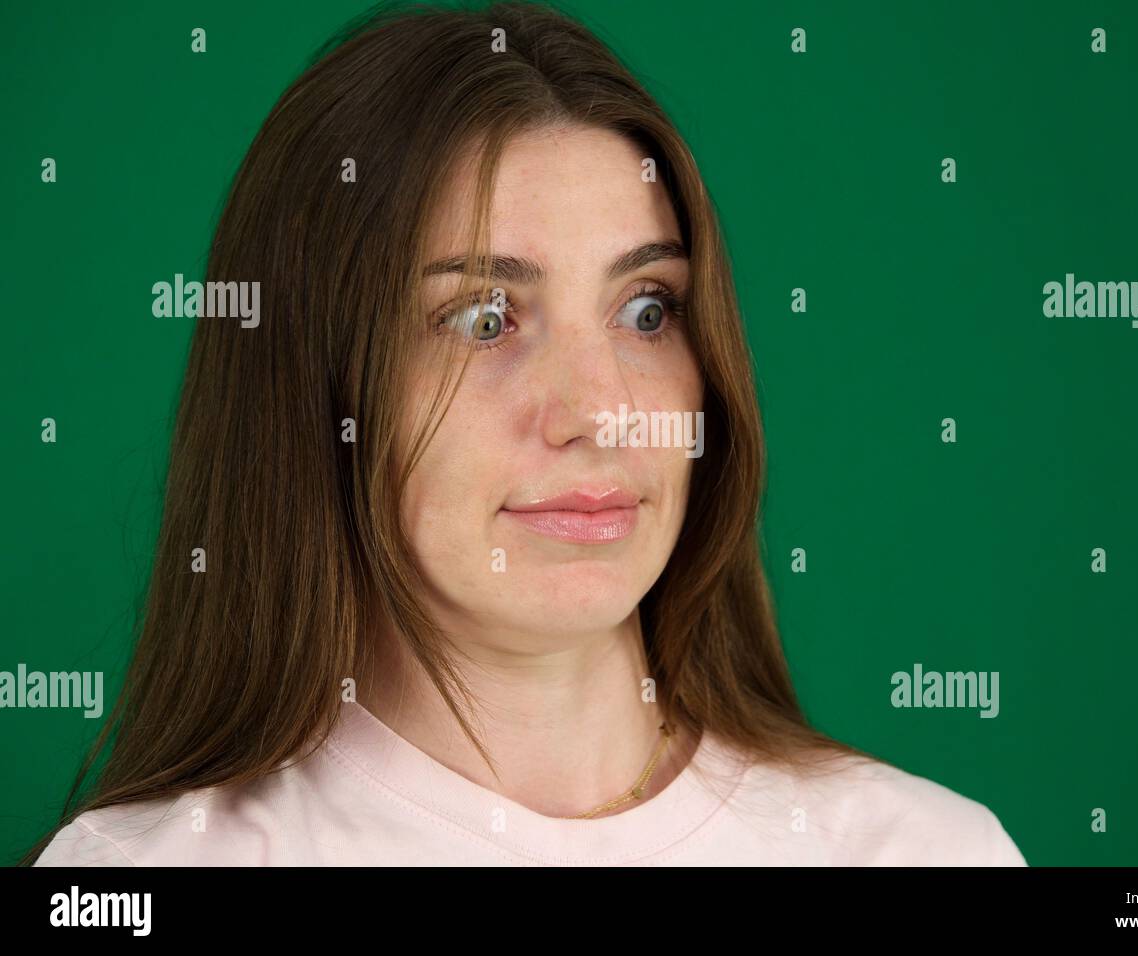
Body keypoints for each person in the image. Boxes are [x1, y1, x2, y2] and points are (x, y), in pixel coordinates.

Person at [27, 1, 1025, 867]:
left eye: (646, 310)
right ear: (319, 384)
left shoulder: (923, 850)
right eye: (486, 318)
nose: (600, 410)